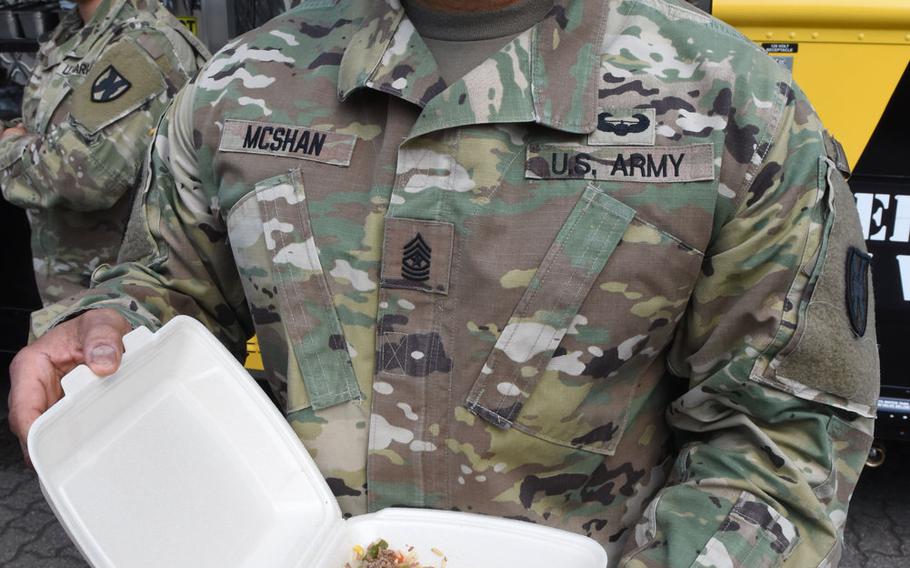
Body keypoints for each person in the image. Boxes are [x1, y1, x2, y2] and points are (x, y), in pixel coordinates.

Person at [9, 0, 879, 566]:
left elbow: (782, 441)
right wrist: (105, 333)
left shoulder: (739, 109)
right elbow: (163, 288)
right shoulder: (239, 88)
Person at [0, 0, 209, 305]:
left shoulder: (144, 42)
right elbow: (47, 125)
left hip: (127, 306)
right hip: (73, 296)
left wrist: (6, 144)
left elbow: (81, 177)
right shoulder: (75, 32)